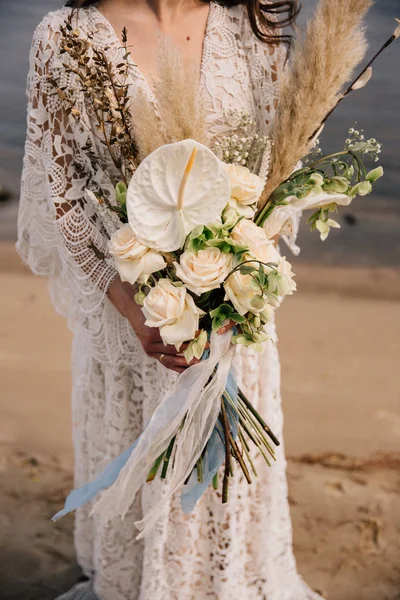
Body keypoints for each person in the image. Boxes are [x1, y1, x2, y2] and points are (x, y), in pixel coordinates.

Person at [17, 0, 323, 598]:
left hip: (235, 332)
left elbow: (282, 170)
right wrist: (138, 310)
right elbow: (66, 199)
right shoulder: (67, 38)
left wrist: (239, 283)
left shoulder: (254, 26)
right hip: (137, 331)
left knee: (229, 506)